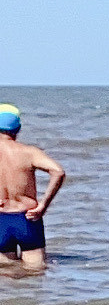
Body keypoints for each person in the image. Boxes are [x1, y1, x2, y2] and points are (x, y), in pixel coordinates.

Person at [0, 105, 64, 273]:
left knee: (5, 274)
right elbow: (58, 172)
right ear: (18, 129)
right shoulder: (29, 152)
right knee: (35, 273)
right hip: (27, 218)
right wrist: (43, 205)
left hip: (1, 219)